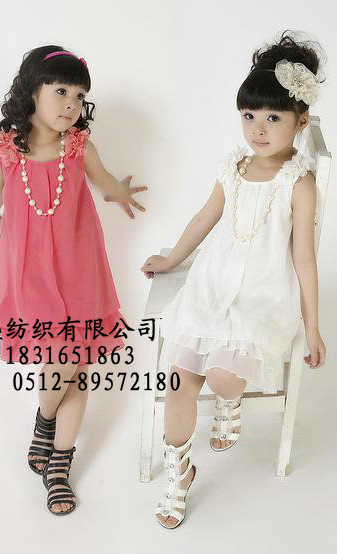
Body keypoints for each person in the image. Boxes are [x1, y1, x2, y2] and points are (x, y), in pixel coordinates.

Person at [140, 31, 327, 529]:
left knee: (224, 377)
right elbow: (205, 218)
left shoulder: (298, 182)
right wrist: (172, 258)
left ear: (300, 121)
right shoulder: (233, 168)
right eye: (249, 116)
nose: (258, 129)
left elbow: (304, 258)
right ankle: (179, 473)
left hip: (262, 293)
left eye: (273, 118)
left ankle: (229, 404)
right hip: (214, 281)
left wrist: (312, 328)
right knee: (180, 380)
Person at [0, 45, 147, 515]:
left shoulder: (79, 148)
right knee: (59, 358)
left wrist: (120, 191)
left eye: (79, 96)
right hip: (29, 272)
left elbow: (105, 182)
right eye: (61, 91)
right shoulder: (5, 152)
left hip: (81, 268)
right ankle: (46, 419)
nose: (71, 104)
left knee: (77, 362)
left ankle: (59, 463)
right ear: (32, 90)